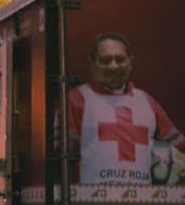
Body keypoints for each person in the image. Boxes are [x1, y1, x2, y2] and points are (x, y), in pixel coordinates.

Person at [66, 32, 184, 184]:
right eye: (105, 60)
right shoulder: (77, 99)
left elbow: (180, 149)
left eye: (120, 59)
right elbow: (57, 156)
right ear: (92, 62)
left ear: (131, 62)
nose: (113, 66)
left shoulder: (147, 101)